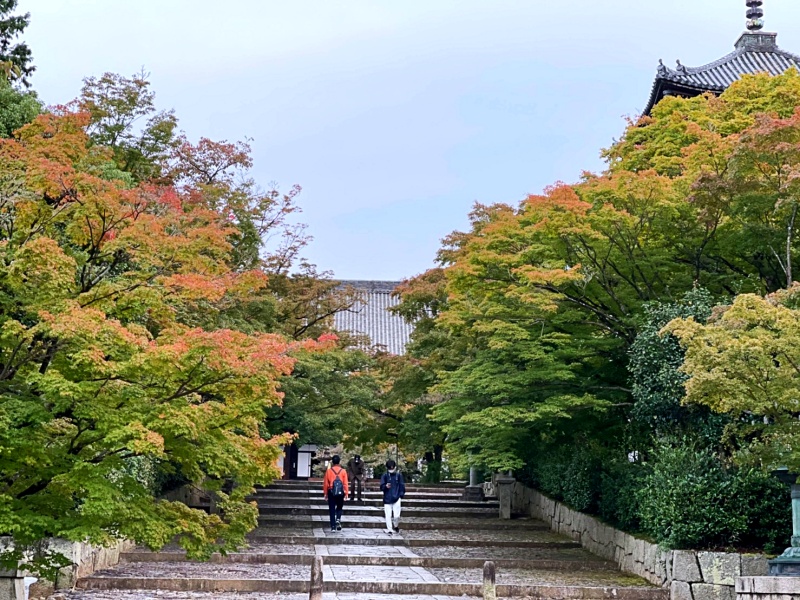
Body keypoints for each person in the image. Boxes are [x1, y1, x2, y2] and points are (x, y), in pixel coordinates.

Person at [323, 455, 349, 532]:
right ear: (339, 462)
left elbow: (325, 483)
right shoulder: (343, 471)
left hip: (331, 491)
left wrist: (325, 493)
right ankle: (338, 518)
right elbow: (345, 483)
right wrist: (346, 492)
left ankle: (333, 527)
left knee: (331, 509)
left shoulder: (329, 471)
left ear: (333, 462)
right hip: (341, 491)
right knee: (339, 507)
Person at [379, 459, 405, 534]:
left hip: (396, 497)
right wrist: (385, 486)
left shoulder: (398, 475)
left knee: (397, 516)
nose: (391, 469)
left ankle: (396, 525)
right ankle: (389, 529)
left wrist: (401, 495)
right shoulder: (385, 476)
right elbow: (381, 487)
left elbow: (401, 485)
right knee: (388, 515)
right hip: (387, 498)